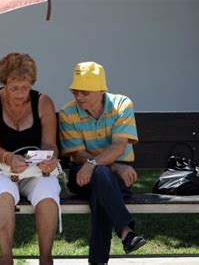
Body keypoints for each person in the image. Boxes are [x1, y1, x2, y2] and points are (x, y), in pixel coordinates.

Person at [0, 52, 61, 265]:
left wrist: (51, 159)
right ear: (3, 83)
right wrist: (9, 158)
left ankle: (46, 258)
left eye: (26, 87)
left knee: (48, 190)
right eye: (15, 88)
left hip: (33, 169)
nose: (21, 94)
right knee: (4, 193)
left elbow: (50, 145)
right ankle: (6, 258)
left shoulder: (43, 102)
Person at [58, 61, 146, 265]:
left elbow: (118, 146)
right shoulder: (67, 113)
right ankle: (126, 232)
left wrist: (94, 164)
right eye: (75, 91)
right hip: (82, 177)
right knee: (101, 176)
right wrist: (112, 166)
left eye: (84, 92)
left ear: (100, 90)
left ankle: (98, 262)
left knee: (101, 188)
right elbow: (78, 155)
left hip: (114, 181)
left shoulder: (122, 105)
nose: (78, 97)